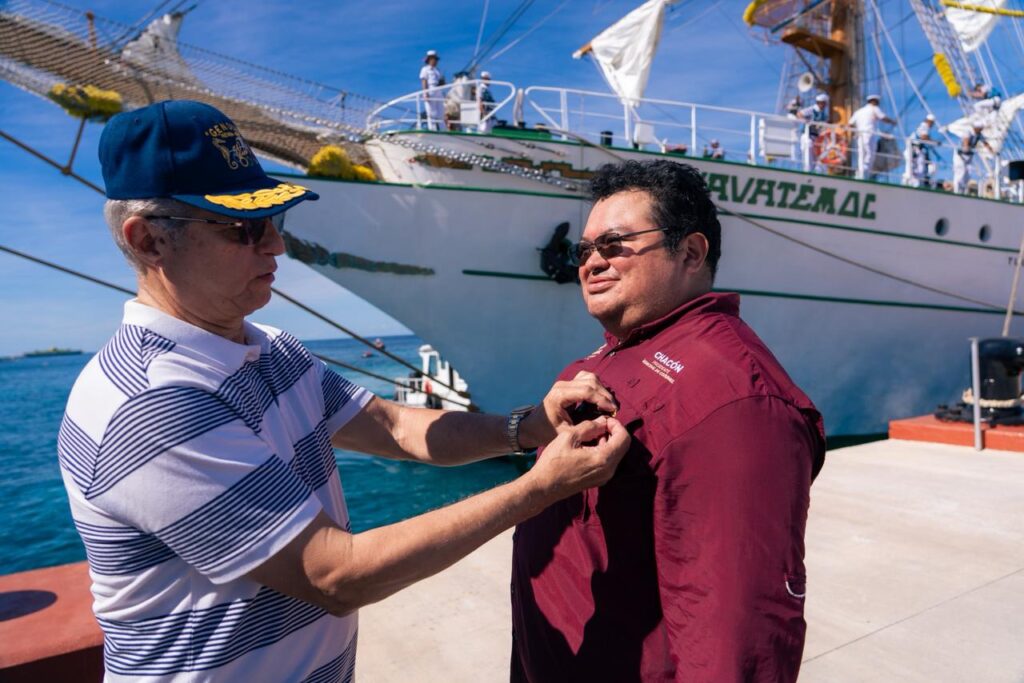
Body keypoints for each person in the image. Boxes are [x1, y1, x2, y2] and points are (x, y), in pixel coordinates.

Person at [59, 100, 630, 682]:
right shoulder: (150, 406)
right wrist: (539, 489)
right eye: (244, 228)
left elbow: (394, 427)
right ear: (149, 242)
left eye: (275, 223)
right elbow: (335, 575)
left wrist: (527, 427)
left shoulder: (271, 348)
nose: (276, 247)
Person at [510, 159, 826, 682]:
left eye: (613, 244)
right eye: (584, 250)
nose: (591, 262)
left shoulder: (736, 403)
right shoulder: (608, 356)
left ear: (691, 252)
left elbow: (736, 638)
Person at [849, 94, 896, 179]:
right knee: (869, 154)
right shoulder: (874, 109)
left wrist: (853, 132)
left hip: (860, 135)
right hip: (869, 134)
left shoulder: (859, 111)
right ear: (874, 101)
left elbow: (850, 124)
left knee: (861, 154)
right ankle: (865, 173)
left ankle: (860, 172)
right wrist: (892, 122)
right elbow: (883, 117)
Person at [954, 120, 994, 194]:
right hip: (960, 155)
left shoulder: (979, 134)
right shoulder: (968, 132)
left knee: (968, 173)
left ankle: (963, 190)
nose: (981, 130)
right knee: (960, 172)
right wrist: (967, 147)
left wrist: (992, 151)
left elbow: (985, 143)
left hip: (969, 155)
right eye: (980, 128)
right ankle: (957, 190)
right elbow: (966, 141)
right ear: (976, 128)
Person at [797, 93, 830, 172]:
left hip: (817, 137)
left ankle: (817, 170)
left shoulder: (824, 114)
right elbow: (799, 114)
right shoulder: (812, 109)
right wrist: (807, 122)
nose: (823, 105)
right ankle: (808, 170)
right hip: (808, 135)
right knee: (808, 153)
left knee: (819, 154)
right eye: (822, 103)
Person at [419, 49, 446, 130]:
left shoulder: (437, 71)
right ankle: (432, 128)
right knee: (431, 111)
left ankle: (442, 128)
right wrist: (425, 93)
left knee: (441, 110)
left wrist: (442, 82)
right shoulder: (425, 69)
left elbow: (441, 81)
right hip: (430, 89)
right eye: (434, 59)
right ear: (429, 60)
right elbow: (424, 81)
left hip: (438, 89)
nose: (435, 61)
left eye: (436, 59)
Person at [910, 113, 939, 187]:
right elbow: (924, 137)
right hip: (916, 150)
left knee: (921, 168)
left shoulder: (922, 126)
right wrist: (934, 142)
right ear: (929, 121)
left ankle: (919, 183)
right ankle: (917, 184)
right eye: (932, 123)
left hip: (918, 149)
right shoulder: (924, 126)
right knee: (919, 169)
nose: (932, 125)